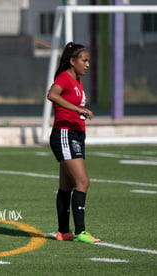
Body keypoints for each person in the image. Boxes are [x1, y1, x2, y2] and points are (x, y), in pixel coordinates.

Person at [47, 42, 100, 243]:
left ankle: (63, 232)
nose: (87, 64)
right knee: (83, 182)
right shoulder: (64, 78)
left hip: (76, 135)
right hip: (65, 134)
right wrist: (78, 110)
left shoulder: (77, 80)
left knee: (66, 186)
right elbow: (52, 95)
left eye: (88, 61)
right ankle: (80, 232)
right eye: (84, 60)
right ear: (72, 61)